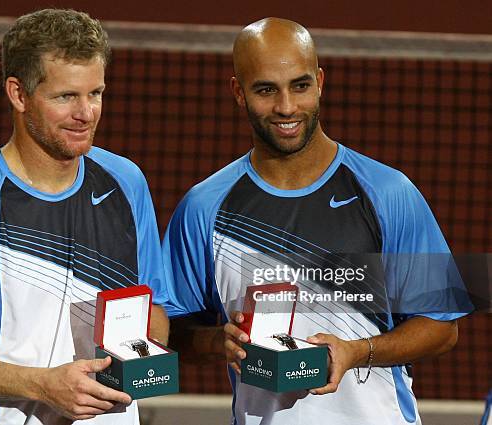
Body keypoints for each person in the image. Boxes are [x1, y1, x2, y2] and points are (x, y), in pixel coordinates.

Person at [163, 17, 467, 425]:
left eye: (300, 86)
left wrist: (357, 351)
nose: (286, 107)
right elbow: (170, 332)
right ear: (238, 92)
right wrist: (217, 341)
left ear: (320, 82)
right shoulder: (204, 208)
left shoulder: (388, 192)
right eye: (266, 90)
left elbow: (443, 327)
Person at [0, 9, 169, 425]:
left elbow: (155, 307)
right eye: (65, 97)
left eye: (95, 93)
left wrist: (138, 359)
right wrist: (42, 385)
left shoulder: (127, 184)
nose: (86, 113)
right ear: (18, 94)